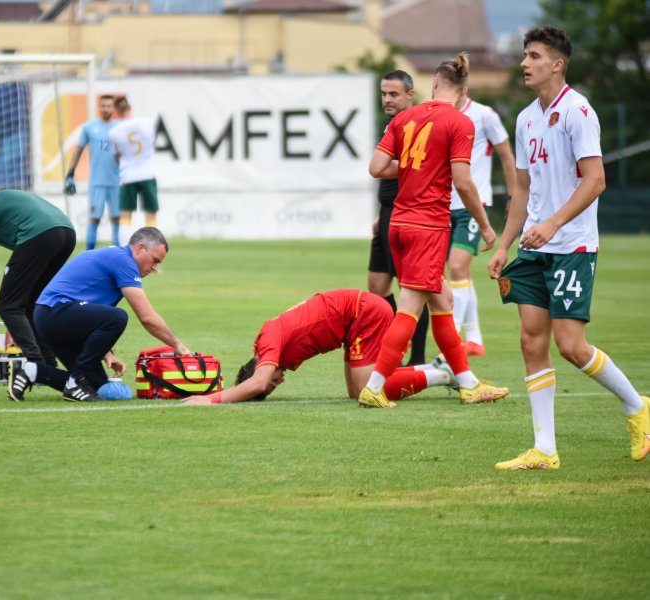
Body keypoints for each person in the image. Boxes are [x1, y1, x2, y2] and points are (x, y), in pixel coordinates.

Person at [488, 26, 650, 470]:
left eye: (534, 56)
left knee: (571, 346)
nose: (524, 63)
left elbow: (595, 180)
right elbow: (521, 191)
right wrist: (504, 245)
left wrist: (554, 222)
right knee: (530, 340)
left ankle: (638, 406)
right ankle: (544, 449)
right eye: (524, 55)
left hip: (573, 246)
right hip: (534, 249)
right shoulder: (524, 119)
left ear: (557, 64)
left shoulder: (578, 112)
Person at [361, 52, 509, 409]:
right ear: (463, 90)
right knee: (410, 308)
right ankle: (375, 386)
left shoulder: (405, 118)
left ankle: (468, 383)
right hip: (427, 225)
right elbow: (464, 182)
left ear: (434, 84)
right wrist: (487, 226)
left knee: (444, 301)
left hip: (397, 223)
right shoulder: (460, 123)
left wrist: (415, 165)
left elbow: (377, 167)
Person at [182, 289, 458, 406]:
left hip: (363, 313)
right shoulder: (270, 345)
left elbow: (256, 383)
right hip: (353, 321)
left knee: (367, 390)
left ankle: (442, 373)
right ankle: (431, 368)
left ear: (256, 368)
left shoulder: (267, 346)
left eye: (273, 383)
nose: (279, 381)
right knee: (356, 393)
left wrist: (211, 399)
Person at [9, 227, 189, 403]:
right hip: (55, 313)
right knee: (118, 317)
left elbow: (93, 316)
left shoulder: (118, 258)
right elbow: (147, 318)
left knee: (96, 385)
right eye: (154, 260)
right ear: (140, 248)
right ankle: (75, 382)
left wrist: (106, 353)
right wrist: (177, 345)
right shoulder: (124, 261)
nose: (154, 268)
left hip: (54, 317)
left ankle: (31, 371)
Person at [0, 189, 76, 370]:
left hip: (40, 233)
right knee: (29, 305)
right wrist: (15, 326)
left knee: (7, 306)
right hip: (67, 233)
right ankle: (49, 367)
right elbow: (22, 285)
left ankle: (36, 367)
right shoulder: (0, 211)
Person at [368, 70, 431, 366]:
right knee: (378, 286)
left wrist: (402, 168)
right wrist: (381, 214)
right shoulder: (391, 124)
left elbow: (419, 166)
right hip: (387, 212)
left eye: (393, 94)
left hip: (404, 214)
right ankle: (396, 343)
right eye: (383, 94)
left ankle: (416, 359)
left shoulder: (417, 123)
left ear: (410, 94)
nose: (387, 99)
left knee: (412, 290)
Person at [447, 92, 517, 356]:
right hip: (442, 205)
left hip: (473, 206)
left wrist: (513, 196)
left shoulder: (485, 115)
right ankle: (474, 339)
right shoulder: (440, 114)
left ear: (462, 89)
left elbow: (507, 156)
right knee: (460, 274)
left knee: (456, 267)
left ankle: (451, 338)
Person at [66, 94, 121, 250]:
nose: (106, 109)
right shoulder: (90, 127)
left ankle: (116, 256)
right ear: (99, 107)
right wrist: (71, 173)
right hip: (97, 182)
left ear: (113, 108)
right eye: (103, 106)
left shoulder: (120, 128)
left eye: (109, 106)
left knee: (116, 219)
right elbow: (78, 150)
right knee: (94, 219)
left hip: (117, 182)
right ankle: (90, 255)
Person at [108, 97, 158, 243]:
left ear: (116, 112)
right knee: (150, 216)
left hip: (128, 176)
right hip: (147, 174)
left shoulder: (114, 132)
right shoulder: (145, 122)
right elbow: (152, 142)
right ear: (130, 108)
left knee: (125, 216)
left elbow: (116, 156)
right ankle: (153, 255)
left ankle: (124, 252)